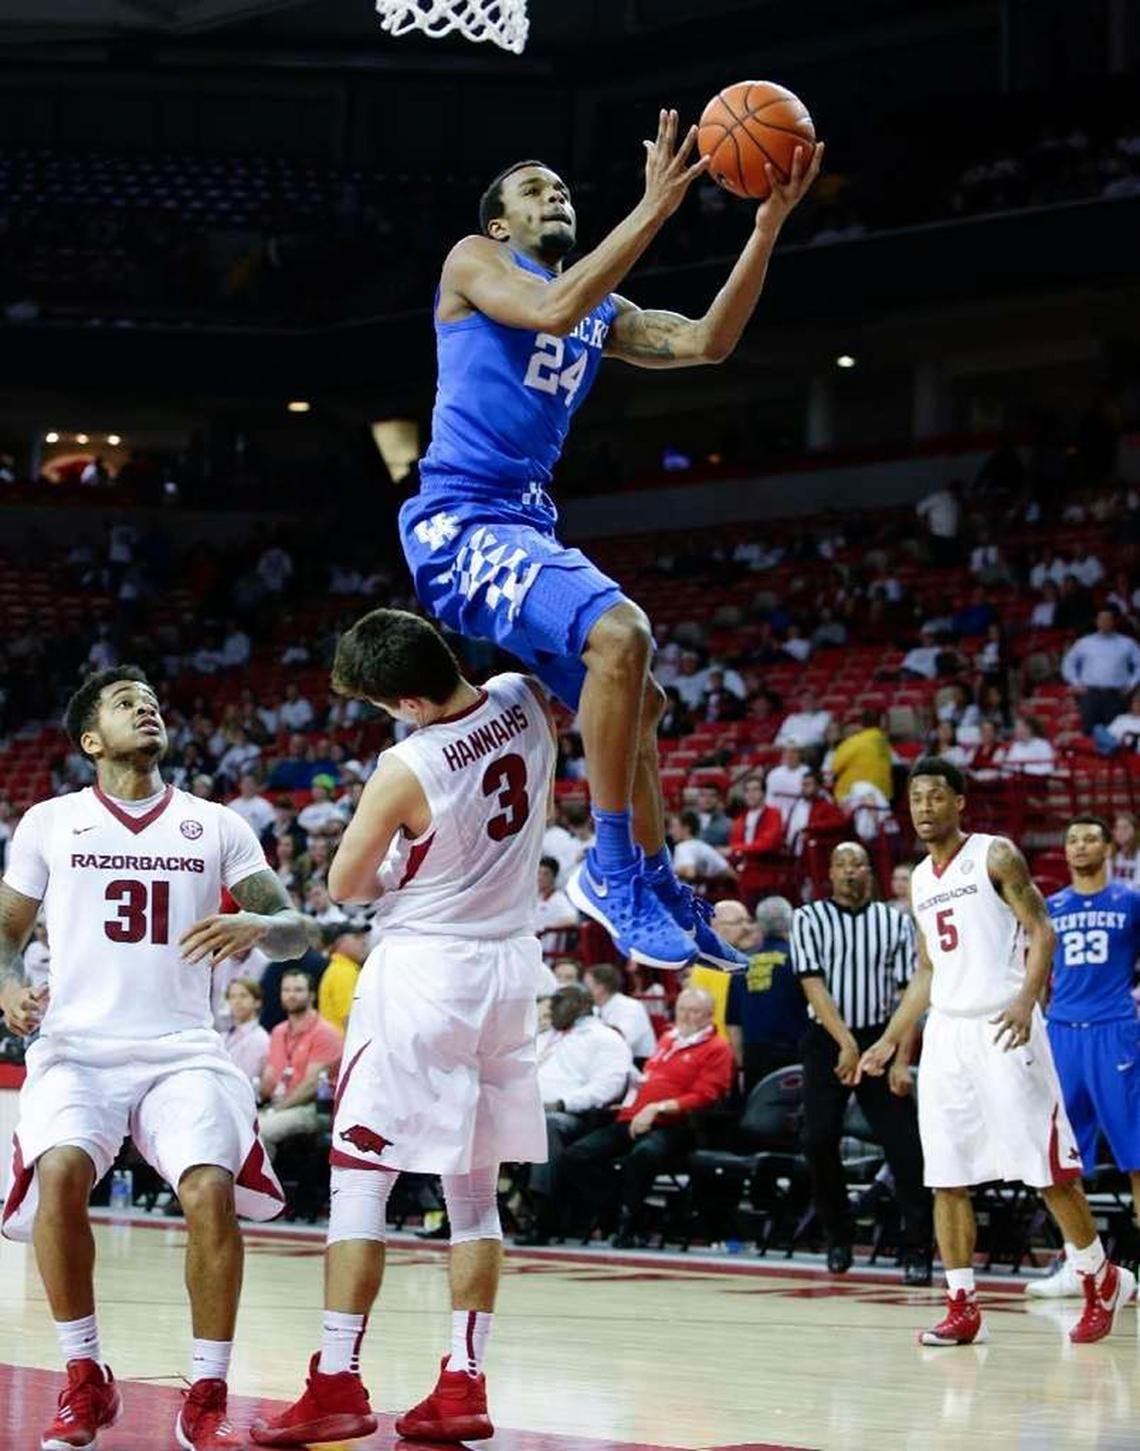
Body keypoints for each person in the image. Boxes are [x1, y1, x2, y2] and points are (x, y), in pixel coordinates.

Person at [397, 119, 821, 975]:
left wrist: (765, 225)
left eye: (561, 187)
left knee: (643, 705)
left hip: (524, 523)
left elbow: (707, 341)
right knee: (620, 634)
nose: (555, 195)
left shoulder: (604, 311)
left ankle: (653, 876)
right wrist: (657, 205)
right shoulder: (472, 265)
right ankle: (610, 863)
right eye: (533, 189)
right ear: (500, 225)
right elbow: (551, 306)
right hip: (460, 521)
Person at [250, 608, 558, 1446]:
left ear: (411, 701)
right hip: (509, 966)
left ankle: (338, 1381)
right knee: (473, 1191)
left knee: (360, 1176)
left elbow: (349, 882)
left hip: (427, 970)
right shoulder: (524, 696)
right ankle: (464, 1383)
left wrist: (391, 861)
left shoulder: (408, 762)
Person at [0, 666, 321, 1450]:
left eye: (151, 699)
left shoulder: (214, 824)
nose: (146, 708)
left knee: (209, 1190)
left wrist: (260, 927)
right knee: (60, 1173)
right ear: (89, 740)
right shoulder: (49, 821)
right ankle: (85, 1377)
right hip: (79, 1047)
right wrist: (6, 984)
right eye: (124, 703)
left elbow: (297, 926)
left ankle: (207, 1391)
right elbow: (5, 932)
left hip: (184, 1049)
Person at [857, 758, 1136, 1345]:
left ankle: (1097, 1277)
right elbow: (929, 969)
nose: (924, 807)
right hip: (948, 1034)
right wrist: (891, 1037)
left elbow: (1043, 930)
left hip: (1006, 1026)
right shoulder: (921, 881)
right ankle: (962, 1305)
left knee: (1047, 1168)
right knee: (947, 1175)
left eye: (936, 796)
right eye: (916, 799)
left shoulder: (995, 853)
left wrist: (1025, 999)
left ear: (960, 802)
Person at [791, 842, 932, 1284]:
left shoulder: (894, 922)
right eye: (842, 863)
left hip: (879, 1038)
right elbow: (812, 985)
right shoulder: (808, 918)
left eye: (858, 864)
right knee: (817, 1139)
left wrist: (899, 1060)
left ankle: (917, 1248)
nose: (850, 871)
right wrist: (845, 1043)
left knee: (906, 1146)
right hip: (827, 1039)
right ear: (830, 872)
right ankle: (839, 1234)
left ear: (870, 872)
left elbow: (910, 995)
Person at [1027, 816, 1140, 1299]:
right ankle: (1081, 1265)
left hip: (1115, 1033)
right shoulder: (1050, 908)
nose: (1079, 846)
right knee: (1059, 1160)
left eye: (1090, 837)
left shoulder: (1132, 902)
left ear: (1109, 847)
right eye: (1071, 839)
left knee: (1137, 1158)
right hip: (1062, 1035)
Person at [562, 987, 734, 1248]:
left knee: (644, 1155)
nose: (687, 1017)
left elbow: (706, 1095)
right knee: (577, 1155)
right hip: (631, 1117)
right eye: (682, 1010)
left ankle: (629, 1224)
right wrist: (627, 1104)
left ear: (709, 1015)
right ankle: (622, 1210)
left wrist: (659, 1107)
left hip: (677, 1125)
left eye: (695, 1012)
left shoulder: (717, 1048)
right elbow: (646, 1081)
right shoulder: (667, 1038)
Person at [516, 983, 633, 1246]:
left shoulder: (604, 1038)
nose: (551, 1008)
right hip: (526, 1112)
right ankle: (459, 1211)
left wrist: (562, 1103)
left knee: (549, 1126)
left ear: (581, 1005)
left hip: (579, 1118)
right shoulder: (547, 1038)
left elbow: (607, 1087)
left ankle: (541, 1215)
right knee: (472, 1117)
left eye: (559, 1002)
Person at [725, 896, 807, 1091]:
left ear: (760, 925)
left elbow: (733, 1025)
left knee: (759, 1113)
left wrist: (741, 1065)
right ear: (791, 921)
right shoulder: (801, 959)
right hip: (795, 1052)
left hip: (754, 1055)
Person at [1061, 606, 1140, 734]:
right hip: (1090, 695)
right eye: (1101, 619)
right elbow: (1068, 663)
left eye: (1108, 619)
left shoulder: (1127, 643)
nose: (1104, 622)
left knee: (1116, 734)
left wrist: (1131, 684)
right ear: (1096, 621)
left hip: (1116, 695)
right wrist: (1075, 683)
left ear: (1114, 621)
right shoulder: (1084, 643)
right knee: (1089, 733)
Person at [584, 962, 657, 1065]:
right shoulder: (595, 1009)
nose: (584, 991)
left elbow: (620, 1041)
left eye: (587, 986)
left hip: (639, 1064)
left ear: (601, 988)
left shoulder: (631, 1007)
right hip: (611, 1060)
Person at [317, 923, 371, 1036]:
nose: (363, 942)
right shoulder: (343, 972)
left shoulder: (341, 969)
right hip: (344, 1047)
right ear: (339, 942)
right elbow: (350, 1019)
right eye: (356, 937)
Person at [830, 709, 892, 803]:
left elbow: (834, 767)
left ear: (861, 723)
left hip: (856, 797)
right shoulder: (885, 743)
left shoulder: (855, 742)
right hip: (883, 796)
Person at [223, 978, 271, 1084]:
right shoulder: (224, 1036)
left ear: (257, 1002)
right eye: (232, 996)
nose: (237, 1002)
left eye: (243, 996)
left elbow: (247, 1077)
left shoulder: (260, 1038)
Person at [668, 810, 736, 883]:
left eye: (674, 827)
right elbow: (731, 873)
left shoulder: (684, 847)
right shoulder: (703, 846)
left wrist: (668, 871)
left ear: (687, 828)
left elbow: (690, 872)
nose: (671, 832)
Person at [535, 854, 579, 958]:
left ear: (553, 877)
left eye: (545, 874)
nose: (540, 877)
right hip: (534, 948)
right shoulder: (536, 898)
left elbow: (573, 919)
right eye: (539, 873)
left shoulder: (559, 898)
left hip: (550, 952)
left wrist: (546, 928)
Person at [1110, 812, 1139, 885]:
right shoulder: (1110, 854)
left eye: (1125, 828)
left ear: (1135, 831)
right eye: (1117, 828)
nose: (1120, 832)